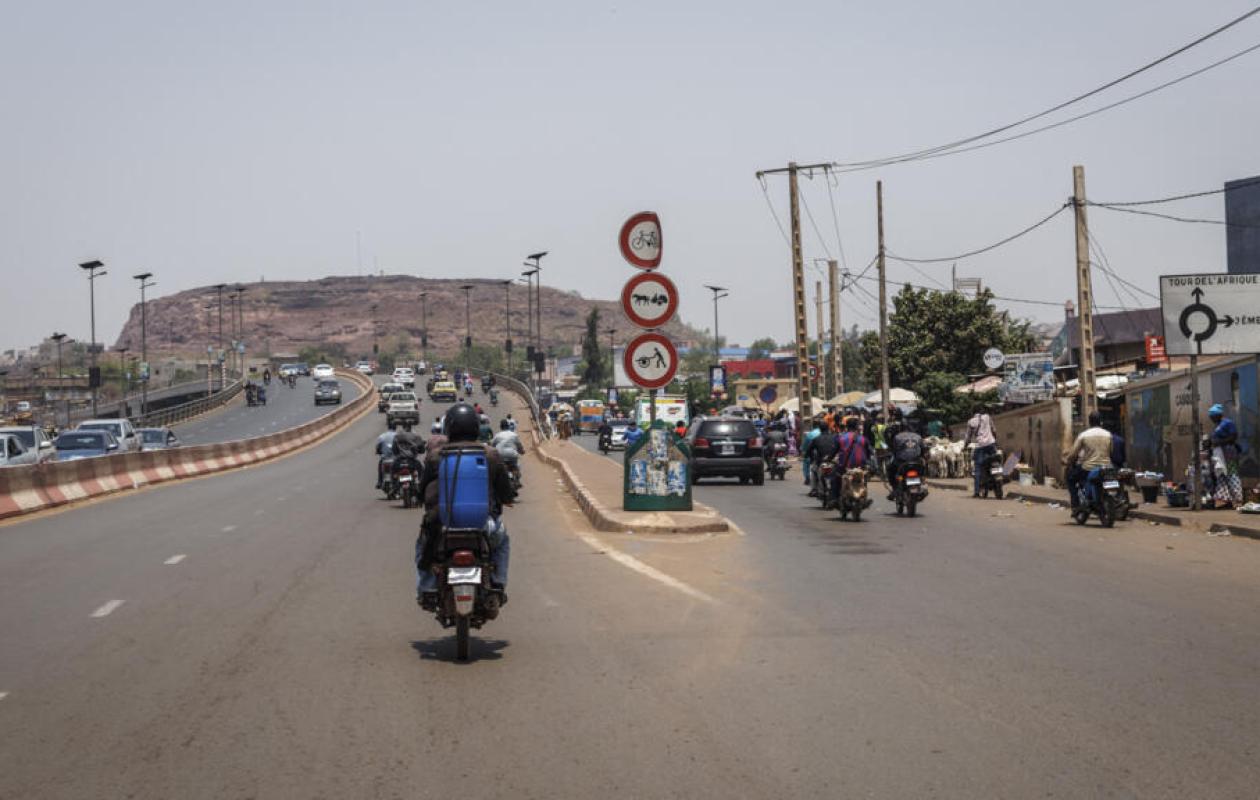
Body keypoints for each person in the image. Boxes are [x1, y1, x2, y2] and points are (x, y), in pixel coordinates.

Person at [416, 403, 516, 608]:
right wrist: (508, 498)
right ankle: (498, 583)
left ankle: (427, 587)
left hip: (443, 524)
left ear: (449, 427)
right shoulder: (490, 454)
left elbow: (423, 487)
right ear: (476, 427)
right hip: (483, 524)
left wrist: (421, 499)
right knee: (502, 542)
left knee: (423, 545)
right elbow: (506, 491)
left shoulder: (436, 456)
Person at [1062, 411, 1114, 509]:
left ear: (1090, 422)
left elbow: (1074, 453)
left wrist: (1068, 460)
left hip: (1088, 468)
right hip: (1106, 467)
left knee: (1070, 478)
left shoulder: (1084, 435)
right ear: (1100, 422)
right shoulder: (1108, 435)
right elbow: (1111, 451)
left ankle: (1075, 504)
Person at [1208, 404, 1243, 508]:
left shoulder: (1228, 423)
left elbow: (1233, 436)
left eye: (1212, 416)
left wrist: (1219, 443)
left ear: (1218, 415)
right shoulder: (1217, 425)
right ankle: (1224, 500)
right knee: (1221, 475)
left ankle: (1237, 500)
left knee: (1232, 474)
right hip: (1220, 454)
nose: (1211, 418)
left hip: (1229, 453)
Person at [886, 420, 926, 500]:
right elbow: (923, 449)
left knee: (890, 469)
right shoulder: (918, 436)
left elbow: (893, 450)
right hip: (916, 462)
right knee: (922, 472)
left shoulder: (897, 437)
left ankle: (894, 489)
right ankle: (922, 484)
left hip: (901, 462)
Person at [964, 409, 998, 498]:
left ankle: (976, 492)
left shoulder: (971, 422)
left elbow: (968, 437)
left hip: (980, 446)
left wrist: (965, 445)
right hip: (991, 444)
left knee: (978, 468)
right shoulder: (987, 417)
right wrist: (995, 440)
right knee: (995, 463)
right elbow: (994, 430)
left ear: (973, 413)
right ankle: (997, 478)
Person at [803, 421, 838, 499]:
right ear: (828, 428)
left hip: (821, 462)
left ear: (820, 429)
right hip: (833, 461)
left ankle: (814, 489)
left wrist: (807, 456)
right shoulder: (835, 437)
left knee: (813, 471)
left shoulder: (816, 439)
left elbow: (808, 451)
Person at [493, 419, 526, 485]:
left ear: (501, 427)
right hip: (512, 455)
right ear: (508, 426)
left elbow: (492, 445)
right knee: (515, 465)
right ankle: (517, 479)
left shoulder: (497, 435)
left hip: (500, 456)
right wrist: (522, 451)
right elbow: (519, 445)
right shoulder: (514, 435)